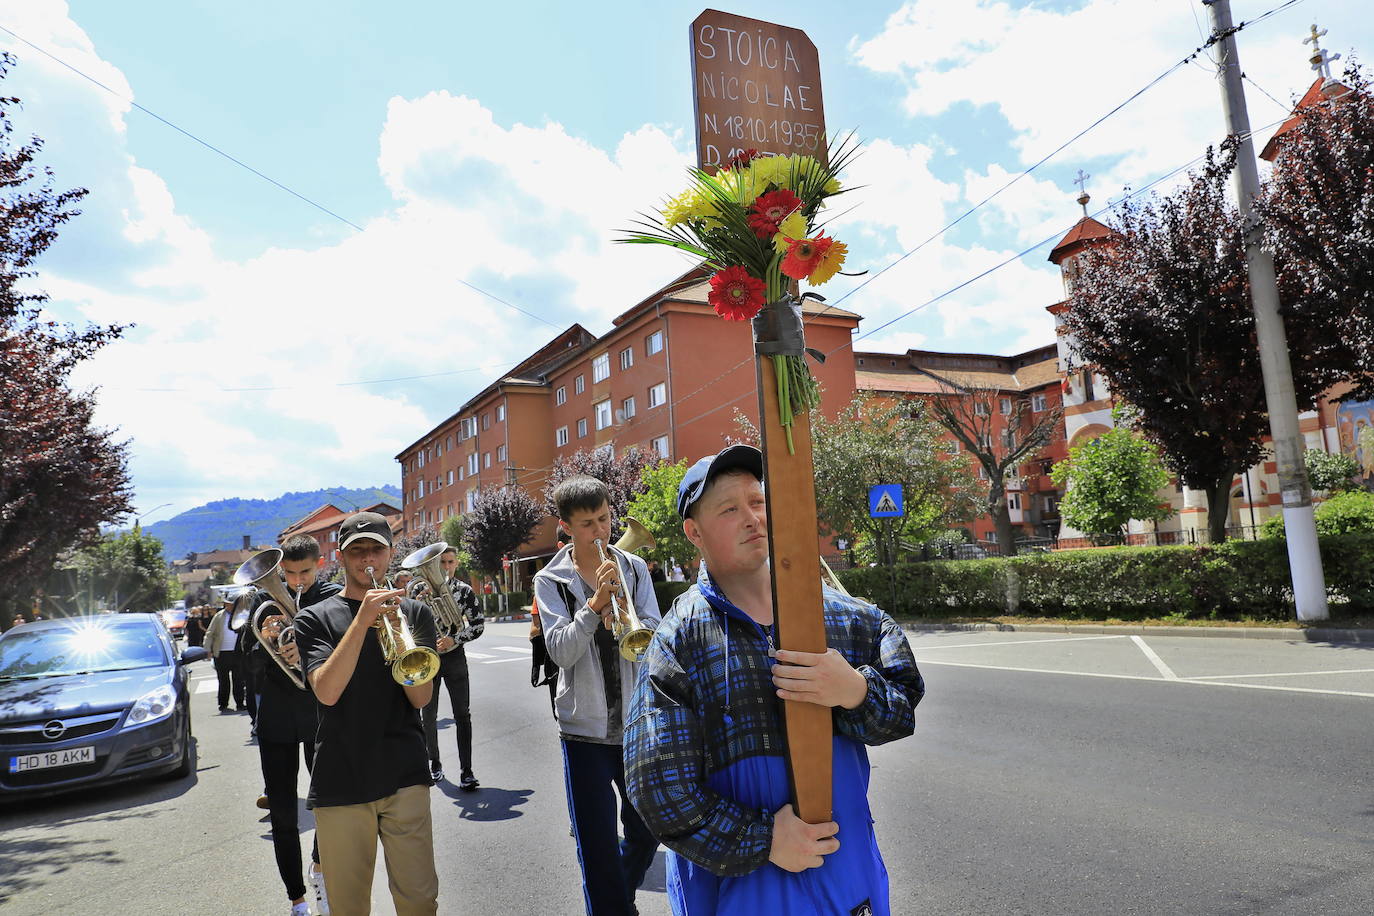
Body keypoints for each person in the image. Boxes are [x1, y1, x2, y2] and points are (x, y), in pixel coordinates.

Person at [624, 445, 925, 916]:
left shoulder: (849, 618)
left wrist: (856, 692)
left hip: (846, 877)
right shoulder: (678, 640)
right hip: (735, 892)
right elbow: (657, 789)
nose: (752, 518)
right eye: (729, 509)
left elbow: (902, 710)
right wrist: (762, 839)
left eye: (757, 502)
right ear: (694, 532)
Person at [292, 511, 439, 916]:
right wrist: (363, 621)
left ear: (391, 553)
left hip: (405, 772)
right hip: (342, 778)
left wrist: (397, 630)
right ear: (341, 557)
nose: (368, 559)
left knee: (420, 899)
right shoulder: (313, 618)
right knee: (349, 906)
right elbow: (327, 691)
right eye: (357, 551)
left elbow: (420, 699)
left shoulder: (415, 612)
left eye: (376, 549)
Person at [533, 476, 662, 916]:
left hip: (635, 724)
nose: (601, 531)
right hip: (583, 734)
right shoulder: (551, 580)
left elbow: (655, 637)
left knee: (647, 832)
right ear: (567, 527)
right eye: (588, 524)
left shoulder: (634, 567)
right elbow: (560, 651)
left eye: (605, 519)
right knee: (597, 846)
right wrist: (592, 610)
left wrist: (625, 615)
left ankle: (617, 898)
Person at [245, 535, 343, 916]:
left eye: (304, 572)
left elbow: (344, 650)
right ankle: (297, 899)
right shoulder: (262, 601)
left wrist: (308, 648)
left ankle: (320, 867)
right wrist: (269, 641)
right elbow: (248, 664)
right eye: (288, 573)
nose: (297, 581)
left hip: (320, 713)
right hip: (278, 720)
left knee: (329, 803)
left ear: (318, 565)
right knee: (284, 812)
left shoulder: (333, 596)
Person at [421, 545, 483, 789]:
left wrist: (454, 639)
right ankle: (434, 764)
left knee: (462, 715)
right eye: (442, 563)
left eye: (450, 562)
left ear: (456, 564)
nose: (446, 567)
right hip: (429, 658)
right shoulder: (420, 591)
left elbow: (478, 625)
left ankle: (466, 771)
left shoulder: (465, 591)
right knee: (428, 717)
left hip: (455, 658)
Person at [205, 592, 247, 713]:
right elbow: (210, 633)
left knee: (238, 679)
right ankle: (223, 704)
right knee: (223, 680)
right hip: (222, 653)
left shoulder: (241, 615)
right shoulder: (219, 616)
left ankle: (240, 703)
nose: (228, 606)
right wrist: (207, 649)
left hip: (237, 652)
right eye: (227, 604)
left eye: (231, 604)